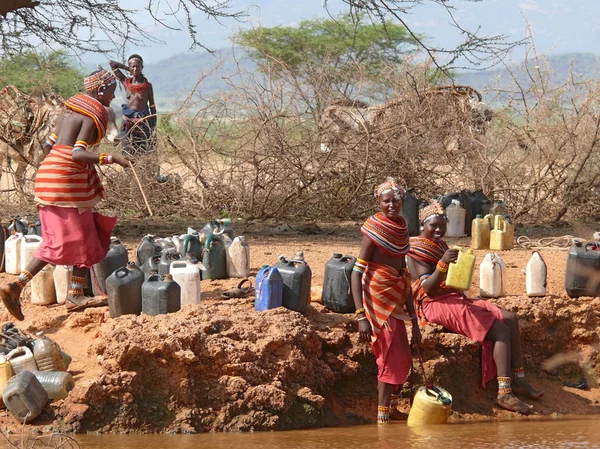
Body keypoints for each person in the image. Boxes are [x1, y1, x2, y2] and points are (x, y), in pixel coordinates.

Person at [0, 68, 130, 320]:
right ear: (100, 89)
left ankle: (75, 294)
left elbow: (49, 146)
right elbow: (77, 154)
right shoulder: (91, 117)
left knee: (86, 233)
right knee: (57, 242)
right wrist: (112, 158)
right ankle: (16, 286)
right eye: (112, 91)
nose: (113, 97)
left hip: (50, 175)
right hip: (65, 181)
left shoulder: (66, 114)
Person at [406, 200, 543, 414]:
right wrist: (443, 263)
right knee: (500, 331)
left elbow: (450, 278)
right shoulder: (415, 251)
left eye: (442, 225)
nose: (439, 230)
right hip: (434, 304)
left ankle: (519, 379)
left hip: (451, 296)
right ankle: (504, 392)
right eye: (434, 225)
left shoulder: (440, 245)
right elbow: (428, 290)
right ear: (422, 225)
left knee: (510, 318)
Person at [351, 177, 421, 425]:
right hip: (376, 298)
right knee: (389, 354)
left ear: (403, 201)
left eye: (396, 200)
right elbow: (356, 273)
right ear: (378, 202)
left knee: (401, 353)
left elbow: (404, 275)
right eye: (386, 200)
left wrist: (414, 319)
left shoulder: (402, 228)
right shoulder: (372, 230)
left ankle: (389, 409)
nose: (392, 205)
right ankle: (382, 416)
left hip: (396, 297)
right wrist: (361, 316)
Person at [109, 55, 157, 158]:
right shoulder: (126, 83)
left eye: (138, 66)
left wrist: (153, 125)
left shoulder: (148, 86)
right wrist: (129, 69)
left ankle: (143, 172)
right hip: (127, 122)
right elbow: (112, 64)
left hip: (143, 122)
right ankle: (128, 173)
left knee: (144, 150)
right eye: (133, 66)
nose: (135, 68)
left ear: (142, 67)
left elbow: (152, 106)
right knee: (126, 150)